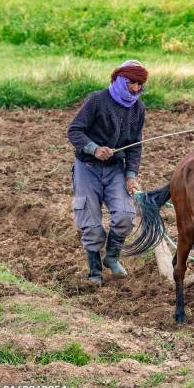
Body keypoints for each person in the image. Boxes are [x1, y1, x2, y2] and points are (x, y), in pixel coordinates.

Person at [67, 60, 148, 285]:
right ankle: (94, 270)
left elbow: (135, 145)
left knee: (125, 215)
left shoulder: (138, 108)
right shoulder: (97, 100)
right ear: (119, 80)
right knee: (91, 223)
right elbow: (74, 130)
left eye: (139, 84)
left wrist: (131, 174)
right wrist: (94, 148)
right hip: (88, 167)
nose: (135, 89)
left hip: (115, 169)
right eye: (131, 82)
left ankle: (111, 257)